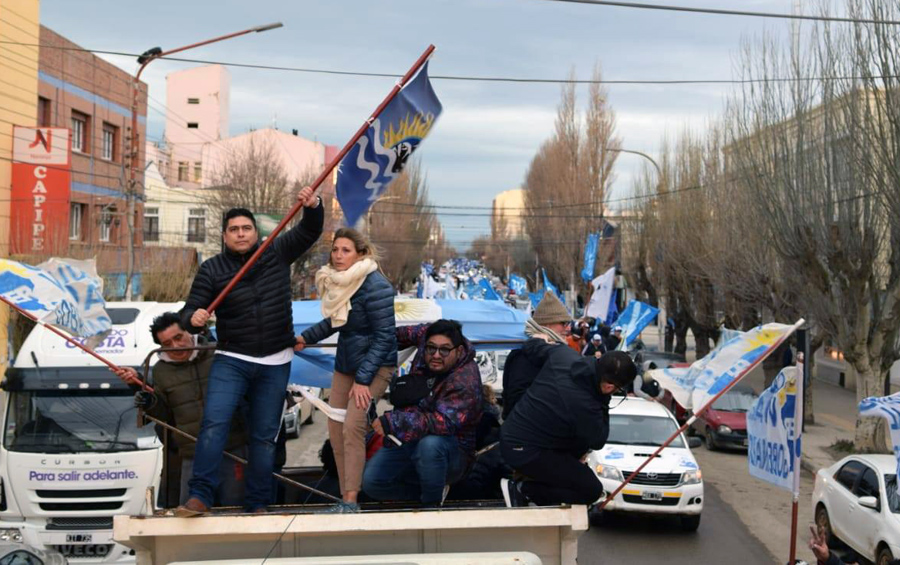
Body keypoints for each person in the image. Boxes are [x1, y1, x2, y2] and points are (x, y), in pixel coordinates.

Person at [176, 187, 323, 516]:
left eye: (246, 228)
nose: (240, 234)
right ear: (224, 236)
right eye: (234, 230)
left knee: (264, 437)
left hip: (276, 361)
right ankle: (199, 496)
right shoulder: (212, 270)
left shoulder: (277, 251)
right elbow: (188, 313)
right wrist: (195, 319)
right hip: (233, 358)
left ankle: (258, 502)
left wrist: (314, 206)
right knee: (214, 424)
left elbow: (310, 230)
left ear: (256, 232)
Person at [295, 228, 397, 513]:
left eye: (346, 250)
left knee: (353, 426)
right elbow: (334, 322)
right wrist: (305, 338)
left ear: (361, 254)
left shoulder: (377, 286)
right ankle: (344, 495)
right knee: (335, 428)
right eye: (335, 249)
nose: (338, 256)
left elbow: (384, 337)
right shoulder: (340, 284)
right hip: (347, 365)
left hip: (375, 367)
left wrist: (363, 380)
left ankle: (352, 500)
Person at [113, 313, 248, 507]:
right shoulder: (160, 370)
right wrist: (144, 393)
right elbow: (164, 415)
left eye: (178, 337)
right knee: (190, 517)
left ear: (189, 331)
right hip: (191, 454)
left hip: (233, 449)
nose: (175, 347)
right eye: (167, 343)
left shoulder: (220, 354)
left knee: (238, 510)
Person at [499, 342, 636, 507]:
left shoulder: (564, 355)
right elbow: (598, 441)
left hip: (516, 433)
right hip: (526, 452)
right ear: (609, 386)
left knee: (577, 446)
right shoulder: (585, 405)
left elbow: (530, 346)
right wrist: (604, 399)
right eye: (618, 391)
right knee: (590, 490)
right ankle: (523, 490)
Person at [362, 320, 482, 506]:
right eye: (431, 348)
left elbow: (442, 422)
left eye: (444, 350)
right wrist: (373, 339)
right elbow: (406, 332)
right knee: (372, 481)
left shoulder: (465, 380)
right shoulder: (426, 336)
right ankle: (427, 493)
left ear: (458, 351)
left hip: (452, 451)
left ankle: (430, 509)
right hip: (411, 439)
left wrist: (394, 422)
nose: (436, 355)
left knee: (430, 445)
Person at [501, 291, 571, 419]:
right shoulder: (524, 355)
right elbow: (517, 399)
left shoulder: (551, 351)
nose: (568, 329)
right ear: (548, 324)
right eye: (564, 323)